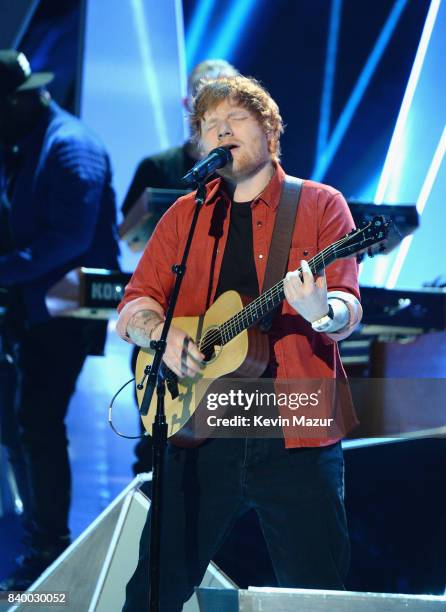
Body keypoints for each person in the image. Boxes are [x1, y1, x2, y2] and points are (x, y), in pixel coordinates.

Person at [116, 75, 362, 611]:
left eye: (236, 121)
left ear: (270, 132)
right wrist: (159, 334)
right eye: (210, 126)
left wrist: (323, 312)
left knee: (316, 596)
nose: (221, 133)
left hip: (296, 427)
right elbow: (134, 305)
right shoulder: (186, 214)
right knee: (151, 593)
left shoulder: (321, 205)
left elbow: (348, 307)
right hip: (200, 426)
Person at [0, 49, 120, 591]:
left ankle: (49, 546)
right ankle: (42, 540)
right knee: (26, 426)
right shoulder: (38, 142)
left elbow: (69, 240)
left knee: (38, 426)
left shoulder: (71, 145)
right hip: (40, 309)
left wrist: (6, 271)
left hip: (64, 310)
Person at [122, 59, 239, 475]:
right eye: (204, 98)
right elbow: (128, 232)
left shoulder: (249, 175)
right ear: (187, 103)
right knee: (157, 445)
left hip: (227, 329)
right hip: (171, 314)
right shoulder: (158, 167)